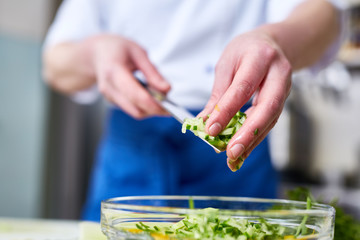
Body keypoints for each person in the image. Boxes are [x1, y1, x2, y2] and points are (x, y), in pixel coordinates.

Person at [43, 0, 345, 221]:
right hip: (133, 146)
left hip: (235, 148)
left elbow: (325, 14)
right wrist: (96, 53)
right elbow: (56, 64)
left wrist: (274, 39)